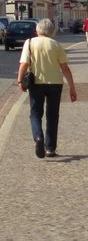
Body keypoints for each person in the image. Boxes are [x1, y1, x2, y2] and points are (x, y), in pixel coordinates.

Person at [17, 18, 77, 158]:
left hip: (36, 83)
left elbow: (24, 64)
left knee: (35, 113)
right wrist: (72, 88)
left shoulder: (30, 42)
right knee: (53, 115)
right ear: (51, 31)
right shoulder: (56, 45)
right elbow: (65, 68)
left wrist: (20, 81)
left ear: (38, 30)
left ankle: (38, 137)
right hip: (55, 84)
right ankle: (50, 148)